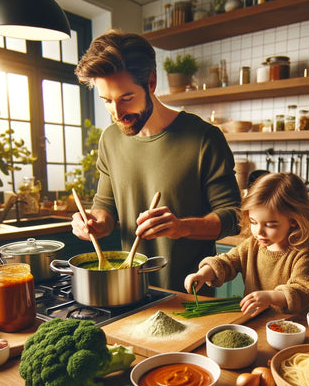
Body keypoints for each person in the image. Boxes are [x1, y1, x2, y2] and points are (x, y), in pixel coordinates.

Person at [71, 30, 241, 292]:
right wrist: (93, 223)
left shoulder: (204, 137)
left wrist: (181, 227)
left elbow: (233, 216)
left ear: (151, 82)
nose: (117, 113)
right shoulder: (110, 139)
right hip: (129, 291)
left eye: (126, 98)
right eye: (107, 101)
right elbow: (105, 207)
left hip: (189, 296)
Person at [184, 172, 309, 315]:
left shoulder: (301, 253)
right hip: (256, 320)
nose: (259, 232)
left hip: (291, 327)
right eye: (253, 222)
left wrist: (270, 297)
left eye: (270, 225)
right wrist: (202, 274)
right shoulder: (251, 245)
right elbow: (226, 262)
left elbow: (301, 290)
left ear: (293, 221)